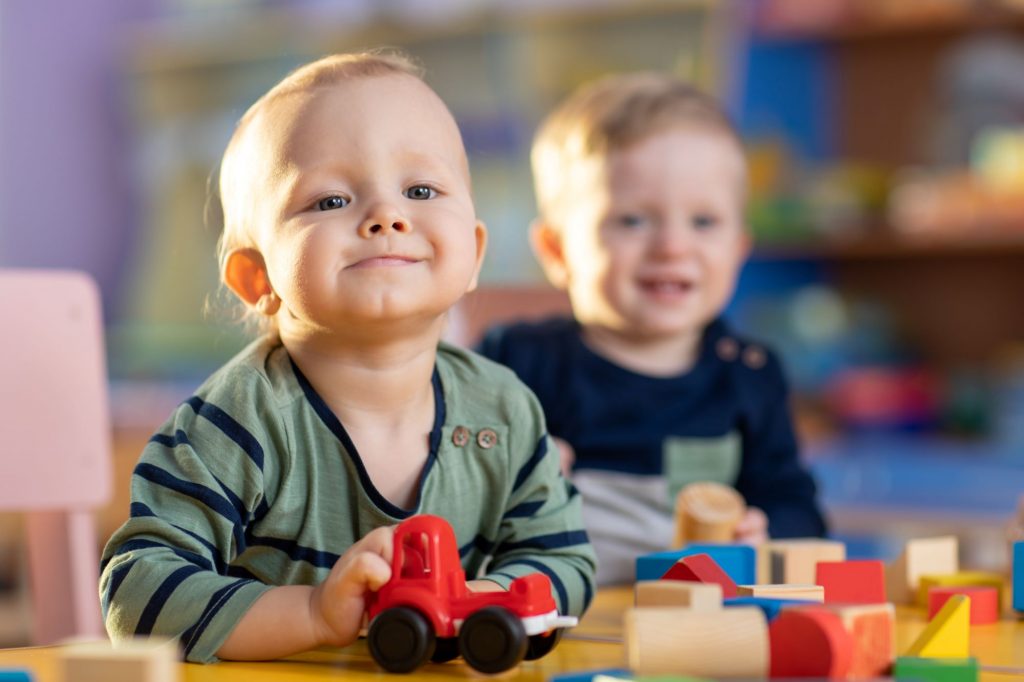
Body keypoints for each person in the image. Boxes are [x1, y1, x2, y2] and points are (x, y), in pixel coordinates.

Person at [100, 51, 596, 664]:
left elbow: (564, 560)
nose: (386, 216)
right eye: (330, 201)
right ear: (257, 276)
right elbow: (136, 594)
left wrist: (482, 599)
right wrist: (312, 612)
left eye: (420, 189)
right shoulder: (234, 424)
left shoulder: (503, 410)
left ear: (472, 253)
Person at [478, 72, 826, 585]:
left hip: (695, 627)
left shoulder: (749, 375)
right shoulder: (517, 361)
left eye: (703, 222)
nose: (672, 247)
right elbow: (441, 485)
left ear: (738, 249)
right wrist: (508, 471)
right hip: (549, 622)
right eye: (633, 221)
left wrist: (768, 533)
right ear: (557, 250)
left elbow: (800, 510)